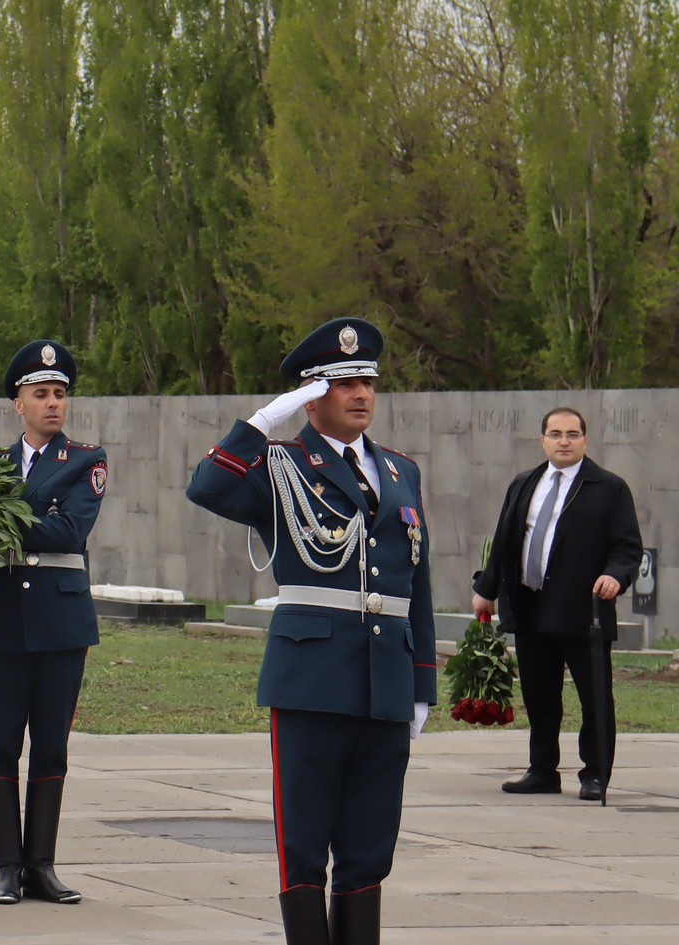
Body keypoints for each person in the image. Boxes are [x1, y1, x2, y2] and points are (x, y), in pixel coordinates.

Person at [186, 318, 435, 945]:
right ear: (311, 392)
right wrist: (262, 424)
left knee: (370, 836)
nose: (360, 393)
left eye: (368, 382)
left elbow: (418, 581)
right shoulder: (279, 464)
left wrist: (422, 681)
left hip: (385, 677)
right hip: (313, 676)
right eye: (344, 381)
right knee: (305, 838)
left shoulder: (401, 471)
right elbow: (206, 486)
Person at [0, 340, 105, 905]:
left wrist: (5, 519)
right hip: (3, 617)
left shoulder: (86, 459)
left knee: (51, 747)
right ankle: (8, 866)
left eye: (60, 394)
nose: (53, 403)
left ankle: (43, 865)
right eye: (41, 394)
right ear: (17, 404)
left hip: (60, 620)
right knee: (3, 746)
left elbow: (69, 532)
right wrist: (36, 516)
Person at [472, 407, 643, 801]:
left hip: (584, 611)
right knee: (540, 696)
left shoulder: (609, 488)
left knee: (595, 699)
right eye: (555, 433)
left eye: (572, 434)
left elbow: (627, 546)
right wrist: (487, 588)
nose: (563, 441)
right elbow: (504, 540)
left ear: (584, 439)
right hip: (532, 607)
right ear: (543, 439)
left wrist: (616, 576)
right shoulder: (524, 483)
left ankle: (595, 774)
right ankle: (542, 770)